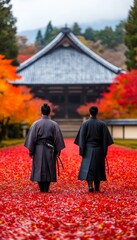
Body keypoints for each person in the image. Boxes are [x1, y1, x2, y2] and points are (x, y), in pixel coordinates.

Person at [24, 103, 65, 192]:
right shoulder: (54, 124)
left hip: (38, 149)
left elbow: (32, 138)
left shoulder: (36, 124)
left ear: (41, 112)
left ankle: (41, 188)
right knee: (49, 167)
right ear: (49, 112)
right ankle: (46, 188)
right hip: (50, 149)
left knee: (39, 167)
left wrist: (31, 151)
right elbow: (58, 138)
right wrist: (57, 150)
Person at [74, 106, 113, 192]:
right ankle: (97, 187)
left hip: (88, 148)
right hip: (99, 149)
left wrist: (82, 151)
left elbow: (82, 139)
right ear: (97, 112)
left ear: (90, 112)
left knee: (88, 168)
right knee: (98, 168)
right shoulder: (102, 124)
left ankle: (90, 186)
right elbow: (105, 140)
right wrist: (104, 152)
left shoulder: (85, 124)